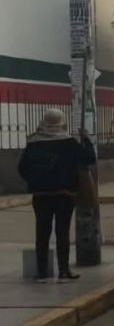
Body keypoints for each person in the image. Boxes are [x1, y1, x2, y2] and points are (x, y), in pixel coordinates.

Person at [18, 108, 96, 283]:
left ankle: (42, 273)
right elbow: (89, 158)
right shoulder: (69, 142)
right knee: (62, 232)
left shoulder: (34, 143)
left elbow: (22, 168)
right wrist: (86, 139)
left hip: (40, 195)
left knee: (42, 233)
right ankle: (63, 271)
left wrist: (35, 181)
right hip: (64, 195)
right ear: (61, 121)